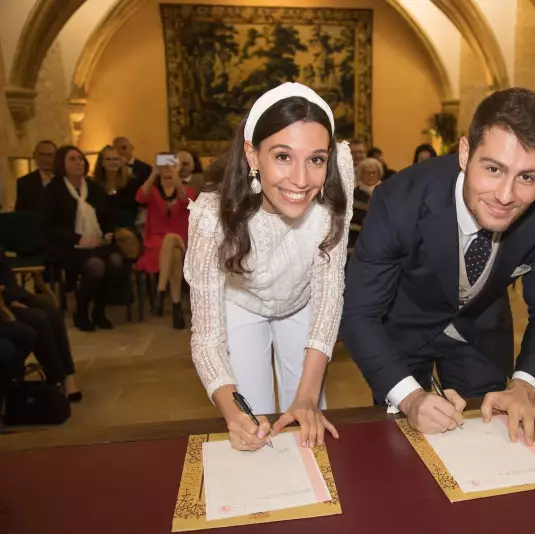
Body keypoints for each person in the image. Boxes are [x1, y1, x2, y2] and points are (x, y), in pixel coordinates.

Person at [341, 88, 535, 444]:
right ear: (465, 152)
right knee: (402, 445)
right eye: (493, 169)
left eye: (528, 177)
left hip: (480, 332)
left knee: (488, 442)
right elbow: (358, 314)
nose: (506, 196)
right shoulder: (400, 201)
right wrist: (411, 398)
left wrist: (524, 385)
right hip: (404, 331)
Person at [185, 82, 354, 452]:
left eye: (316, 159)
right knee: (254, 424)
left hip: (304, 303)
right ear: (252, 154)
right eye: (282, 156)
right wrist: (232, 413)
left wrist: (307, 397)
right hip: (241, 304)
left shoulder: (335, 190)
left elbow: (328, 296)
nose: (301, 179)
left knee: (309, 421)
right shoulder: (211, 216)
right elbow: (207, 337)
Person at [42, 146, 125, 332]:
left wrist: (107, 233)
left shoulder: (93, 188)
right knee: (96, 266)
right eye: (72, 159)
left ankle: (99, 310)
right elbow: (49, 226)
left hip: (96, 243)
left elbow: (107, 216)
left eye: (80, 159)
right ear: (62, 163)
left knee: (116, 261)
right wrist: (78, 239)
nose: (78, 162)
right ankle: (81, 310)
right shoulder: (53, 190)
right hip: (68, 246)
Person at [0, 246, 81, 400]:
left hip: (8, 292)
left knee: (52, 312)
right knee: (38, 318)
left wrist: (12, 296)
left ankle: (68, 375)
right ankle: (56, 379)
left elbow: (3, 267)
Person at [136, 157, 197, 329]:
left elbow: (187, 201)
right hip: (156, 245)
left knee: (171, 239)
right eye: (163, 166)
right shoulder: (153, 192)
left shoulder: (187, 190)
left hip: (182, 241)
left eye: (171, 165)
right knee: (174, 253)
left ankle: (160, 291)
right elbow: (140, 197)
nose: (167, 169)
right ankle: (176, 307)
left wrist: (177, 179)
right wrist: (153, 174)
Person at [16, 140, 57, 212]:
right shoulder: (25, 183)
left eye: (50, 155)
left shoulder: (65, 179)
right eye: (42, 155)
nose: (46, 159)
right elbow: (20, 215)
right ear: (34, 156)